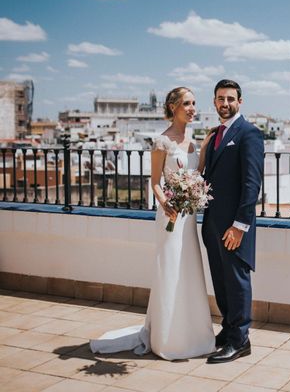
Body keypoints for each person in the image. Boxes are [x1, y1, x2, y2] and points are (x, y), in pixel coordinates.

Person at [90, 87, 216, 360]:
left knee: (189, 271)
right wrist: (165, 203)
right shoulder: (161, 142)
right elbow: (155, 182)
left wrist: (205, 147)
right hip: (170, 217)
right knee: (171, 270)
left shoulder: (193, 141)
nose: (193, 108)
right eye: (187, 103)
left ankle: (193, 334)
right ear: (173, 107)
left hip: (189, 218)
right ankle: (169, 338)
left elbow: (197, 173)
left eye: (194, 103)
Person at [200, 79, 264, 364]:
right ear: (214, 102)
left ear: (240, 101)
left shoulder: (249, 133)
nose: (224, 104)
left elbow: (252, 185)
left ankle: (240, 341)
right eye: (220, 99)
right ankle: (228, 331)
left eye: (230, 99)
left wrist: (239, 226)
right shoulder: (216, 135)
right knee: (221, 281)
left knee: (237, 282)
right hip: (214, 224)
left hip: (234, 227)